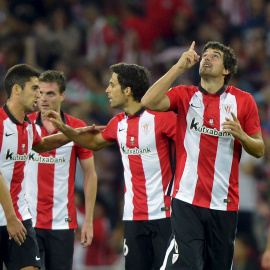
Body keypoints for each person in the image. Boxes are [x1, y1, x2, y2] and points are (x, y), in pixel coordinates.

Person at [141, 41, 265, 270]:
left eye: (215, 56)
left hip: (224, 203)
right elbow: (148, 101)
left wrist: (242, 136)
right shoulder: (185, 95)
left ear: (226, 70)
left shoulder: (243, 100)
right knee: (186, 265)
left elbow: (259, 150)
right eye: (205, 54)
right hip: (186, 198)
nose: (206, 58)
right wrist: (179, 67)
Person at [45, 63, 176, 270]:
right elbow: (94, 143)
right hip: (133, 216)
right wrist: (65, 129)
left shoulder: (164, 118)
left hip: (166, 214)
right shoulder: (118, 123)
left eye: (112, 85)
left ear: (127, 90)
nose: (107, 90)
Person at [0, 64, 71, 270]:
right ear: (16, 89)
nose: (39, 96)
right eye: (34, 89)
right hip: (10, 217)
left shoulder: (29, 126)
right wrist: (10, 217)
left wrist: (79, 133)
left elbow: (42, 145)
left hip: (21, 218)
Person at [25, 70, 97, 270]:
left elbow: (91, 174)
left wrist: (88, 221)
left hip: (62, 222)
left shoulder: (76, 127)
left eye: (50, 94)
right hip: (29, 220)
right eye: (40, 92)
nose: (44, 98)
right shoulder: (25, 125)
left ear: (62, 96)